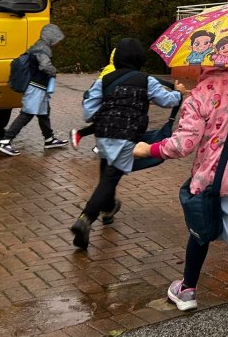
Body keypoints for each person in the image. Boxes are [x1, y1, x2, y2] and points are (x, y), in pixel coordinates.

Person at [132, 64, 228, 337]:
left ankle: (187, 290)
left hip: (212, 180)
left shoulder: (201, 92)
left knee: (200, 231)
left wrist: (150, 148)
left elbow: (184, 144)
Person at [69, 38, 185, 249]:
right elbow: (167, 101)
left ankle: (108, 208)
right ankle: (86, 218)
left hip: (103, 135)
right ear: (139, 59)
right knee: (111, 178)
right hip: (127, 136)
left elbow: (88, 113)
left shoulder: (103, 80)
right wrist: (178, 92)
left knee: (107, 169)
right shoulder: (146, 80)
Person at [0, 24, 69, 156]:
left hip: (39, 86)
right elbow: (45, 66)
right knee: (27, 114)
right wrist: (54, 71)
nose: (56, 42)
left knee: (44, 113)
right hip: (36, 87)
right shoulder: (43, 49)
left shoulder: (38, 46)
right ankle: (5, 141)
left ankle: (49, 139)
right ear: (50, 36)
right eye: (55, 38)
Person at [70, 48, 117, 151]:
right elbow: (102, 88)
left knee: (107, 122)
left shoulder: (112, 68)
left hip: (103, 102)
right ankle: (83, 137)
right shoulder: (112, 69)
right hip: (101, 102)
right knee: (109, 121)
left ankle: (82, 136)